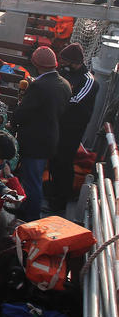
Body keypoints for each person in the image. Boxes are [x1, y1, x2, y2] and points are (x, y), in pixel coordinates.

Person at [12, 46, 70, 221]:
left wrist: (13, 122)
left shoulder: (39, 86)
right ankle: (27, 209)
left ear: (36, 64)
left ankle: (31, 217)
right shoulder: (65, 84)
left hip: (34, 141)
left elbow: (24, 111)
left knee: (32, 181)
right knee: (33, 178)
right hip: (50, 138)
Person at [49, 43, 98, 211]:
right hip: (58, 125)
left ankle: (61, 200)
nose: (63, 64)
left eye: (66, 61)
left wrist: (55, 101)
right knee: (54, 159)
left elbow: (76, 100)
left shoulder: (89, 81)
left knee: (65, 161)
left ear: (75, 62)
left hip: (72, 129)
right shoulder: (63, 73)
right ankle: (53, 192)